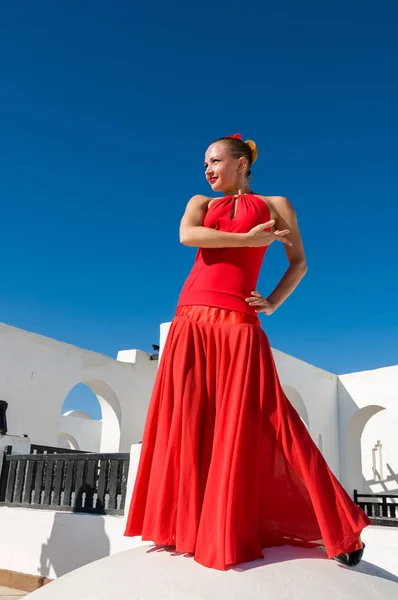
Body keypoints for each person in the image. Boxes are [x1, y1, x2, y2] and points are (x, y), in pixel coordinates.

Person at [124, 133, 370, 570]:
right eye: (204, 164)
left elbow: (300, 262)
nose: (207, 170)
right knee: (188, 420)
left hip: (239, 324)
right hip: (190, 321)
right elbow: (187, 236)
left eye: (215, 161)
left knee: (275, 419)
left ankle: (339, 528)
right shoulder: (200, 201)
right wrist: (248, 241)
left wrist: (273, 301)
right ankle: (191, 527)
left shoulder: (277, 205)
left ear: (241, 163)